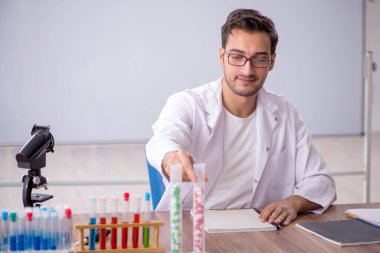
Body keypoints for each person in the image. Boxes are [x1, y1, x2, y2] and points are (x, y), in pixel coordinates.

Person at [146, 9, 336, 226]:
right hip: (191, 228)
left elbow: (320, 181)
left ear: (272, 62)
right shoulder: (188, 103)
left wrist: (294, 202)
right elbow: (163, 139)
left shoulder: (285, 112)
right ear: (222, 57)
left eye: (259, 59)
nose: (247, 69)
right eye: (237, 57)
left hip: (258, 229)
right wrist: (170, 156)